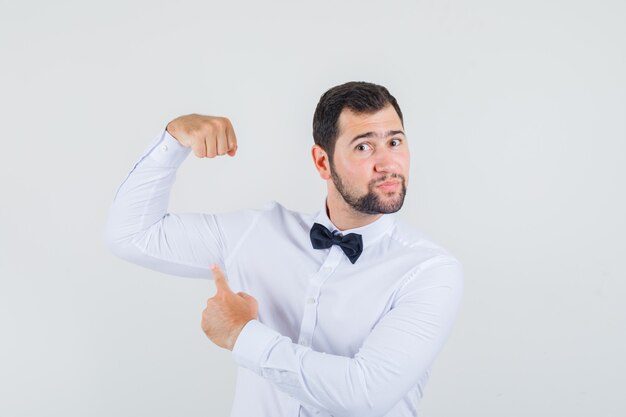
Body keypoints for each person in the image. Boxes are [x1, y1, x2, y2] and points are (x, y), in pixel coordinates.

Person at [104, 81, 464, 417]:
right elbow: (132, 235)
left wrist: (241, 335)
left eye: (395, 142)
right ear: (323, 162)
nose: (387, 163)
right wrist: (173, 141)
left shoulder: (429, 270)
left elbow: (365, 393)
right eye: (364, 146)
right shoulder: (259, 232)